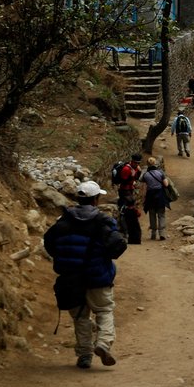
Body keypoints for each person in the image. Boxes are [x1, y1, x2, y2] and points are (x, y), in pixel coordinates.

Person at [43, 180, 127, 369]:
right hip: (98, 277)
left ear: (79, 199)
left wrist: (66, 257)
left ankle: (84, 355)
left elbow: (49, 243)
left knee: (81, 317)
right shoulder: (102, 221)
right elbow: (118, 246)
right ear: (96, 200)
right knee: (104, 310)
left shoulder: (62, 221)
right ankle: (103, 344)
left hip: (70, 278)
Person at [139, 157, 170, 240]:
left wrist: (143, 198)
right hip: (160, 195)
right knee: (161, 214)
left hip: (150, 196)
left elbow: (142, 184)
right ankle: (162, 233)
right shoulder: (160, 173)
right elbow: (166, 184)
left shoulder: (146, 174)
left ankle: (153, 233)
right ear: (155, 163)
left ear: (148, 164)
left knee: (152, 214)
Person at [117, 152, 143, 244]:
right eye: (136, 163)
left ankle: (128, 230)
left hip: (130, 189)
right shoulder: (126, 169)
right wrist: (132, 176)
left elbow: (135, 178)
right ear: (132, 161)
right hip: (125, 191)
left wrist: (138, 172)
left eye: (138, 163)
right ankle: (125, 231)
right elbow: (123, 181)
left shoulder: (134, 168)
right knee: (124, 211)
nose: (137, 164)